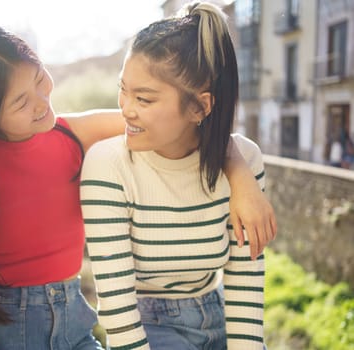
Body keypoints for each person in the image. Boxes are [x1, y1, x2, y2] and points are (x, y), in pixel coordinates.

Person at [0, 20, 275, 350]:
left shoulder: (71, 136)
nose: (42, 101)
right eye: (20, 102)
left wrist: (241, 176)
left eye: (38, 78)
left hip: (76, 327)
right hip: (7, 335)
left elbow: (184, 126)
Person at [80, 2, 272, 349]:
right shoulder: (107, 165)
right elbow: (117, 309)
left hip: (218, 314)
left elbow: (246, 286)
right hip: (146, 326)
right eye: (123, 89)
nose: (126, 108)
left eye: (144, 98)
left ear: (200, 107)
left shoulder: (245, 160)